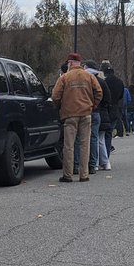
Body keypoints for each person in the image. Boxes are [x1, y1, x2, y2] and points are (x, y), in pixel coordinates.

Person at [51, 53, 101, 182]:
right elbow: (99, 92)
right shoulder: (89, 76)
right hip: (86, 113)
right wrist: (92, 105)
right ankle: (84, 175)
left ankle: (68, 174)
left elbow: (55, 96)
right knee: (85, 144)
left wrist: (61, 106)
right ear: (80, 63)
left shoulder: (64, 77)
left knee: (69, 145)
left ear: (70, 63)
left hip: (70, 115)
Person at [102, 61, 126, 139]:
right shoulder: (120, 82)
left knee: (104, 131)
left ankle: (106, 148)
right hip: (115, 105)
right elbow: (121, 95)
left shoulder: (104, 82)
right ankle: (109, 146)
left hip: (106, 107)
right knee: (110, 129)